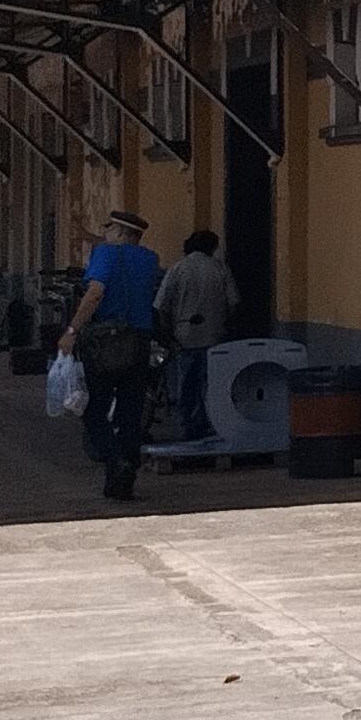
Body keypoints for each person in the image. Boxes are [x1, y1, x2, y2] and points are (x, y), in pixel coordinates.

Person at [60, 209, 163, 501]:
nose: (104, 233)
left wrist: (72, 330)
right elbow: (127, 263)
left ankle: (114, 458)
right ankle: (123, 478)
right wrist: (91, 236)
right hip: (139, 341)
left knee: (94, 408)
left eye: (108, 229)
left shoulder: (105, 255)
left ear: (119, 233)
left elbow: (95, 293)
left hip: (106, 343)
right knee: (131, 411)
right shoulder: (149, 259)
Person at [155, 226, 240, 443]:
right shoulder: (220, 269)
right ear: (212, 247)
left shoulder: (177, 269)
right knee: (213, 386)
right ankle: (212, 425)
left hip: (184, 337)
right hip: (215, 336)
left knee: (186, 386)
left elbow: (161, 305)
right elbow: (233, 303)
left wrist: (168, 335)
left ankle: (186, 427)